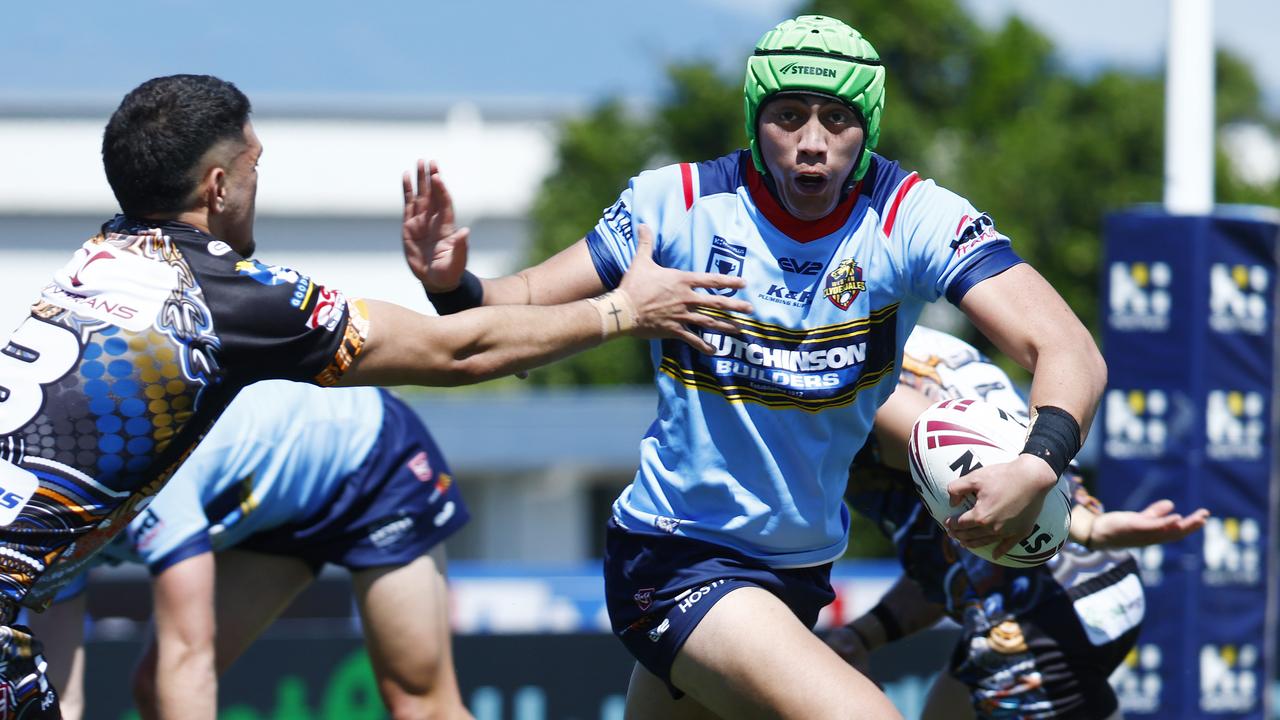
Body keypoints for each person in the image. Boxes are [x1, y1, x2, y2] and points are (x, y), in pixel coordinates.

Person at [402, 14, 1107, 718]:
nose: (810, 143)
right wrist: (453, 288)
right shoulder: (677, 206)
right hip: (676, 559)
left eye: (837, 118)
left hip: (796, 576)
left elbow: (1067, 348)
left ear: (870, 127)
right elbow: (520, 301)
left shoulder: (912, 218)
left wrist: (1038, 464)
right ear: (753, 119)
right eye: (788, 115)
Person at [0, 73, 752, 718]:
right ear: (220, 185)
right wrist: (625, 310)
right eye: (255, 163)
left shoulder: (89, 267)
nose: (260, 182)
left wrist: (455, 285)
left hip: (350, 475)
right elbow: (458, 352)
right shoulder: (219, 299)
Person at [30, 381, 474, 720]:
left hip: (374, 463)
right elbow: (61, 698)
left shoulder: (153, 484)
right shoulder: (38, 528)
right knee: (155, 688)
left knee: (420, 705)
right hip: (265, 504)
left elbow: (190, 661)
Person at [827, 325, 1208, 720]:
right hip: (1083, 581)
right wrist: (862, 635)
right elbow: (960, 556)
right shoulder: (907, 341)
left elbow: (967, 454)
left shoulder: (844, 374)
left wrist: (1082, 525)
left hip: (1035, 613)